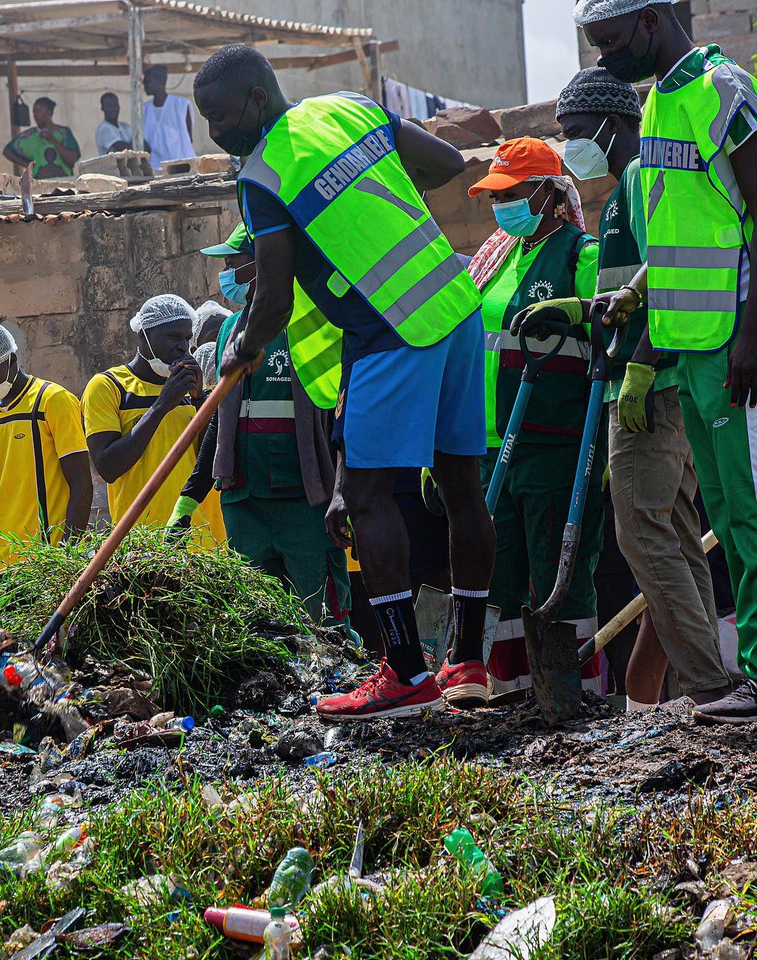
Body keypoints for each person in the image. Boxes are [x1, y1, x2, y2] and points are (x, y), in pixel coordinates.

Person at [194, 45, 494, 720]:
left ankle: (407, 674)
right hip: (453, 302)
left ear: (257, 98)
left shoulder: (264, 172)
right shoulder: (350, 109)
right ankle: (467, 660)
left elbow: (271, 299)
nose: (216, 133)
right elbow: (446, 163)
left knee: (362, 496)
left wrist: (240, 348)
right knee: (459, 481)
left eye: (219, 116)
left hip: (392, 328)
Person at [575, 0, 757, 722]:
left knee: (746, 515)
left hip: (731, 346)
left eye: (612, 41)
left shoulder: (722, 90)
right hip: (689, 351)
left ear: (651, 20)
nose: (604, 59)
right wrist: (634, 295)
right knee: (731, 516)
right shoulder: (656, 105)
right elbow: (685, 231)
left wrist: (752, 334)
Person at [466, 137, 605, 696]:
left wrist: (577, 309)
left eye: (513, 193)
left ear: (550, 194)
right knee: (497, 581)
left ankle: (576, 699)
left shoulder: (580, 253)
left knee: (559, 577)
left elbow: (610, 325)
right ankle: (512, 701)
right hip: (488, 442)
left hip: (554, 442)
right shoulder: (498, 256)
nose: (501, 206)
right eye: (495, 195)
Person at [172, 225, 352, 624]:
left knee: (323, 621)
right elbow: (219, 422)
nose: (226, 273)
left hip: (304, 501)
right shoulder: (226, 332)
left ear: (263, 262)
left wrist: (343, 490)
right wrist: (186, 503)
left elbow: (345, 413)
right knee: (258, 625)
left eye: (233, 263)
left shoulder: (314, 324)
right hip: (244, 503)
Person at [0, 323, 93, 620]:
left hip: (45, 560)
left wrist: (66, 560)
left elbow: (82, 485)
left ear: (12, 360)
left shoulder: (53, 401)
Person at [83, 295, 225, 547]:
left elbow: (211, 462)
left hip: (200, 541)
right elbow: (108, 467)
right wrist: (162, 405)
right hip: (143, 544)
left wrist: (200, 401)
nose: (184, 347)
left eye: (187, 338)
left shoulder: (189, 390)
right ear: (144, 335)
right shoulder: (109, 386)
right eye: (173, 337)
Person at [3, 98, 81, 179]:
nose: (35, 114)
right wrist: (26, 164)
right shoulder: (29, 135)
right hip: (39, 185)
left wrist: (53, 140)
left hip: (64, 185)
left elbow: (72, 160)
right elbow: (7, 151)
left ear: (49, 112)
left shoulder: (64, 133)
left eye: (38, 111)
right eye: (34, 111)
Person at [142, 65, 195, 169]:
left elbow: (189, 139)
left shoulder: (181, 105)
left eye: (147, 81)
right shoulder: (145, 109)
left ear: (160, 81)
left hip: (183, 166)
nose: (144, 85)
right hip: (156, 168)